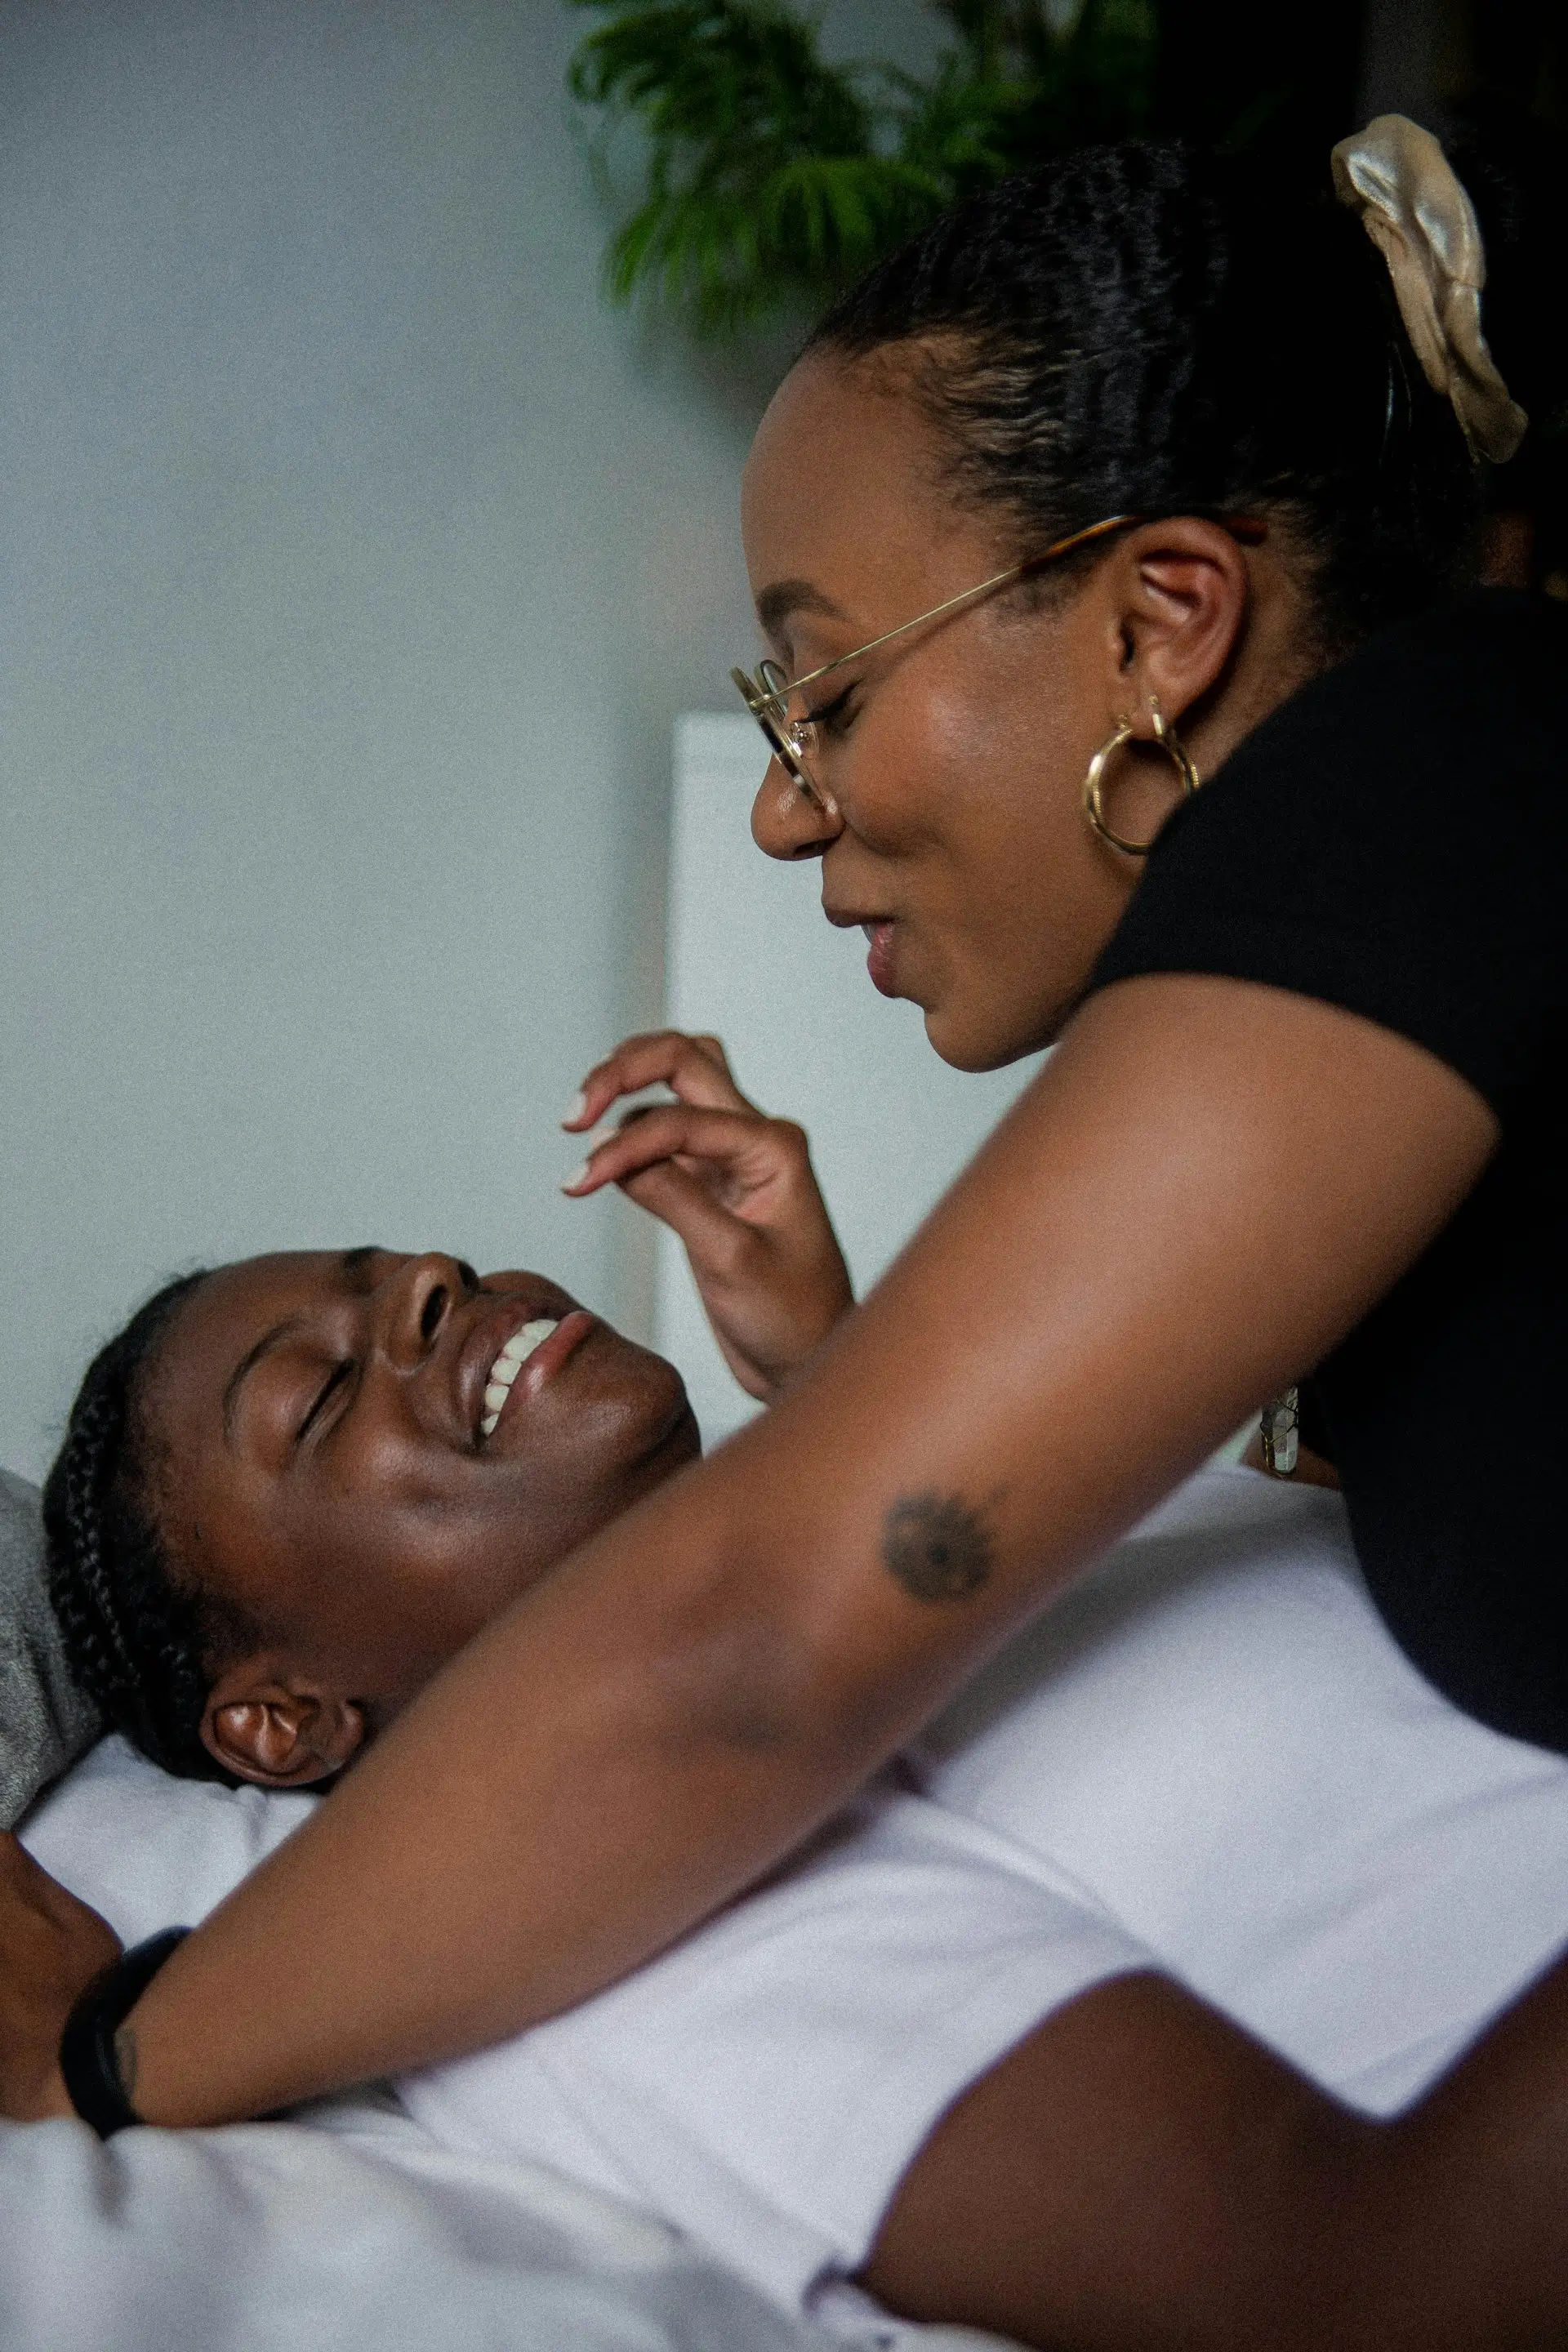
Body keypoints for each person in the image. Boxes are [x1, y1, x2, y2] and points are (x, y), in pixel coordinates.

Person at [2, 113, 1564, 2332]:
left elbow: (762, 1634)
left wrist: (113, 2050)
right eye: (314, 1384)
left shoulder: (1425, 766)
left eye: (821, 688)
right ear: (275, 1724)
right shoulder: (1438, 858)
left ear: (1166, 624)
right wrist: (844, 1381)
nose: (778, 800)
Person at [14, 1227, 1568, 2348]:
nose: (433, 1279)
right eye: (319, 1399)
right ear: (282, 1727)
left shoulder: (882, 1583)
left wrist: (858, 1379)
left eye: (388, 1271)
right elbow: (1368, 2288)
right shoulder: (612, 1953)